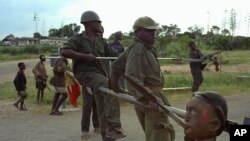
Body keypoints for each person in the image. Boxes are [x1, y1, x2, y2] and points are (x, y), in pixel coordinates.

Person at [60, 10, 126, 141]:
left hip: (100, 76)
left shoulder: (101, 40)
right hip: (85, 74)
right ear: (90, 23)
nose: (101, 24)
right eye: (98, 21)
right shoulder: (78, 39)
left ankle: (107, 135)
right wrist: (84, 56)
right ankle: (114, 127)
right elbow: (64, 51)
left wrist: (130, 57)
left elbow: (114, 55)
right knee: (109, 87)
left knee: (102, 106)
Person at [110, 16, 175, 141]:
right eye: (149, 31)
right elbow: (132, 77)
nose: (154, 34)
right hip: (151, 100)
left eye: (154, 31)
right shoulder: (138, 49)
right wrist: (150, 97)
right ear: (138, 32)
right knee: (159, 135)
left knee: (158, 133)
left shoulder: (143, 48)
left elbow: (116, 66)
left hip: (148, 97)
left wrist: (115, 86)